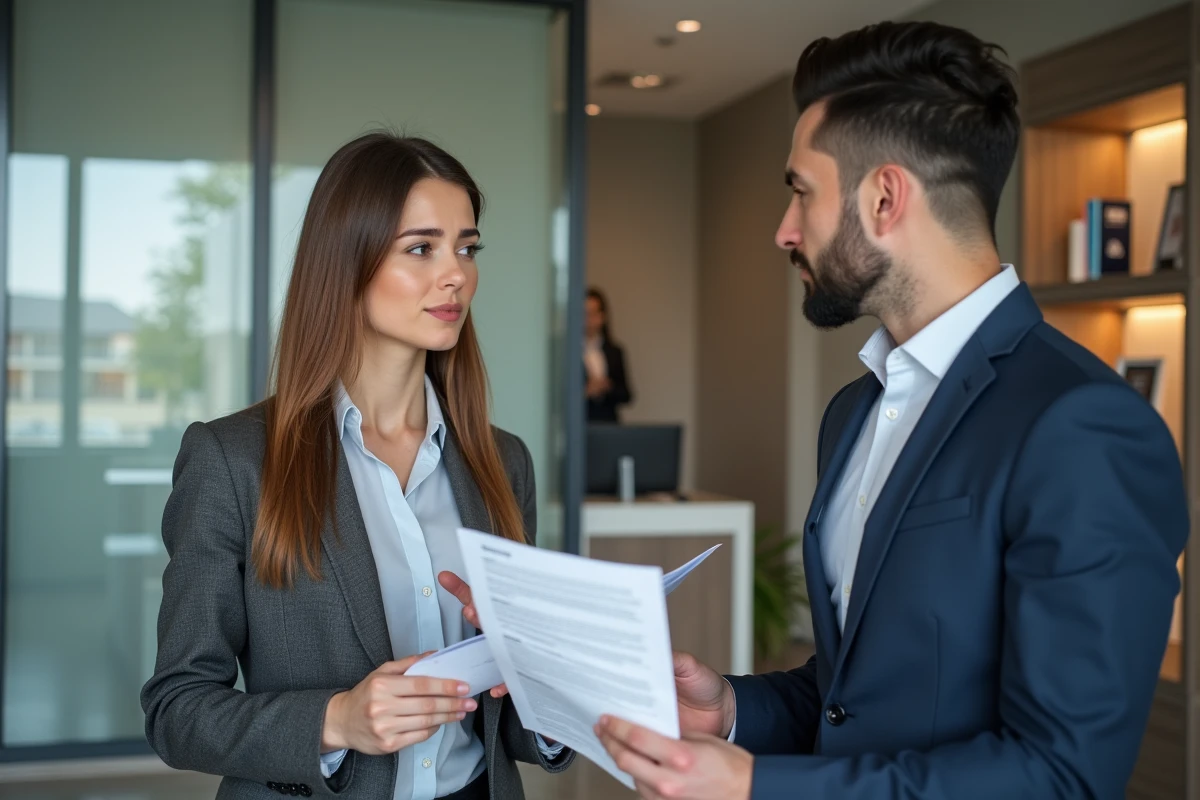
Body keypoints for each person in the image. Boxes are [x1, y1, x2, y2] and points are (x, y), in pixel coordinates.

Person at [594, 20, 1189, 800]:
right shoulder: (853, 413)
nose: (783, 231)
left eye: (800, 192)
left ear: (884, 197)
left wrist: (758, 788)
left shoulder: (1083, 426)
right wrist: (737, 711)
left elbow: (1062, 776)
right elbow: (856, 694)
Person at [142, 133, 573, 799]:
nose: (456, 272)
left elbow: (508, 716)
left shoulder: (501, 461)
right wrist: (336, 721)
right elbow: (177, 710)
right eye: (422, 247)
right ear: (348, 262)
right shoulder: (233, 461)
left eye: (467, 246)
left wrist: (552, 699)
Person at [583, 287, 632, 422]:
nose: (588, 319)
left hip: (608, 422)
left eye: (592, 313)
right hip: (579, 423)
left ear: (602, 316)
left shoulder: (615, 351)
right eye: (584, 314)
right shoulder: (566, 353)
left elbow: (627, 395)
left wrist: (607, 386)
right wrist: (585, 391)